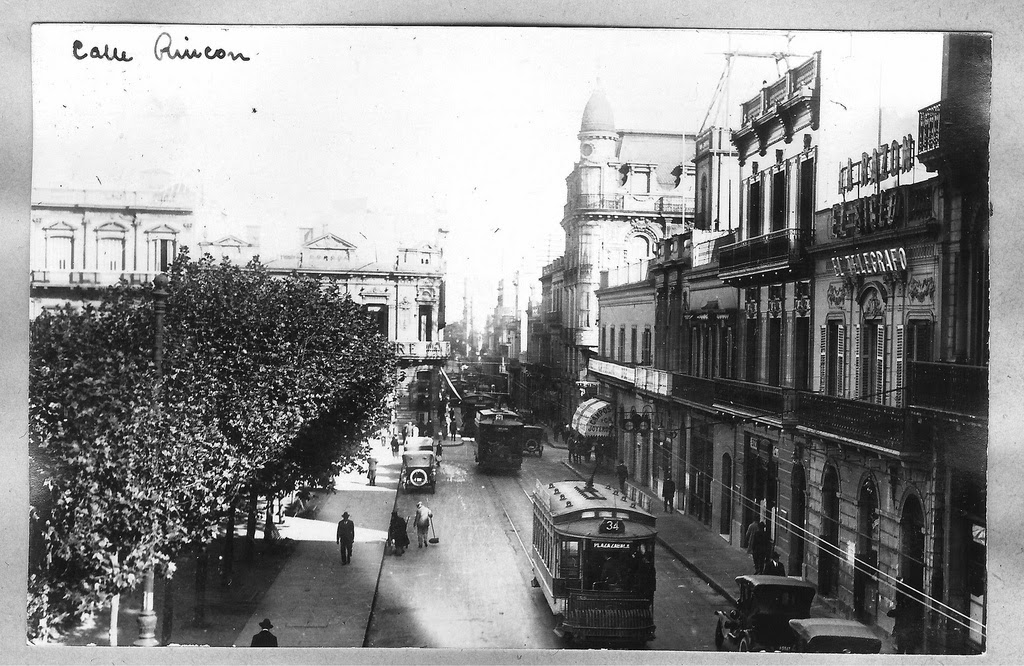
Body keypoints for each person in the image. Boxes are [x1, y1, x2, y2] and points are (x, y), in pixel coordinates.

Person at [887, 576, 921, 654]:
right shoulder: (914, 610)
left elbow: (889, 614)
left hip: (903, 633)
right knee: (910, 651)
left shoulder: (902, 609)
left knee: (901, 650)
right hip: (910, 633)